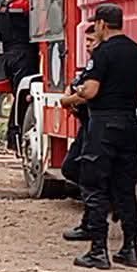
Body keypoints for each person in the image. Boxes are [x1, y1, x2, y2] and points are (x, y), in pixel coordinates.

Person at [65, 4, 137, 270]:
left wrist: (75, 92)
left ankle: (98, 250)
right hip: (129, 122)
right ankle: (130, 249)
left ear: (102, 24)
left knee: (95, 185)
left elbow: (90, 91)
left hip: (103, 125)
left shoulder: (103, 53)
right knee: (125, 188)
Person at [59, 24, 100, 240]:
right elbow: (79, 86)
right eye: (85, 41)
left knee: (87, 174)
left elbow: (88, 93)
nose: (87, 46)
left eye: (91, 41)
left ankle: (92, 226)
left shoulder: (101, 61)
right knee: (73, 169)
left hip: (97, 127)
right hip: (88, 126)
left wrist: (68, 100)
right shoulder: (90, 65)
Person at [0, 0, 38, 152]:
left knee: (18, 96)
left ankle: (13, 135)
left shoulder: (5, 4)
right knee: (23, 97)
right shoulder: (23, 5)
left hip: (9, 55)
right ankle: (15, 135)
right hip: (23, 55)